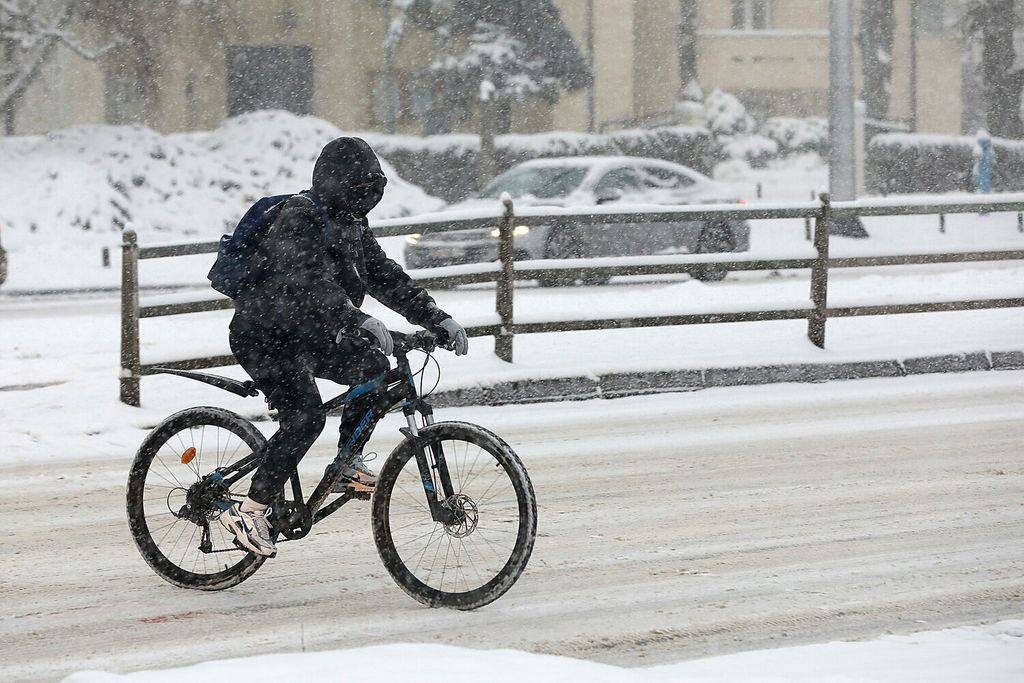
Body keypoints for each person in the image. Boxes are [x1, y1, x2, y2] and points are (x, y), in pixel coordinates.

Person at [217, 137, 468, 557]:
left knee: (374, 370)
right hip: (264, 334)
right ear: (336, 183)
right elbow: (307, 281)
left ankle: (348, 461)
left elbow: (385, 276)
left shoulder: (352, 223)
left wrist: (435, 317)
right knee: (305, 418)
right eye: (359, 189)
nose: (365, 199)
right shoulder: (300, 216)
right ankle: (251, 509)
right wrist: (355, 318)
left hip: (313, 332)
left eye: (372, 190)